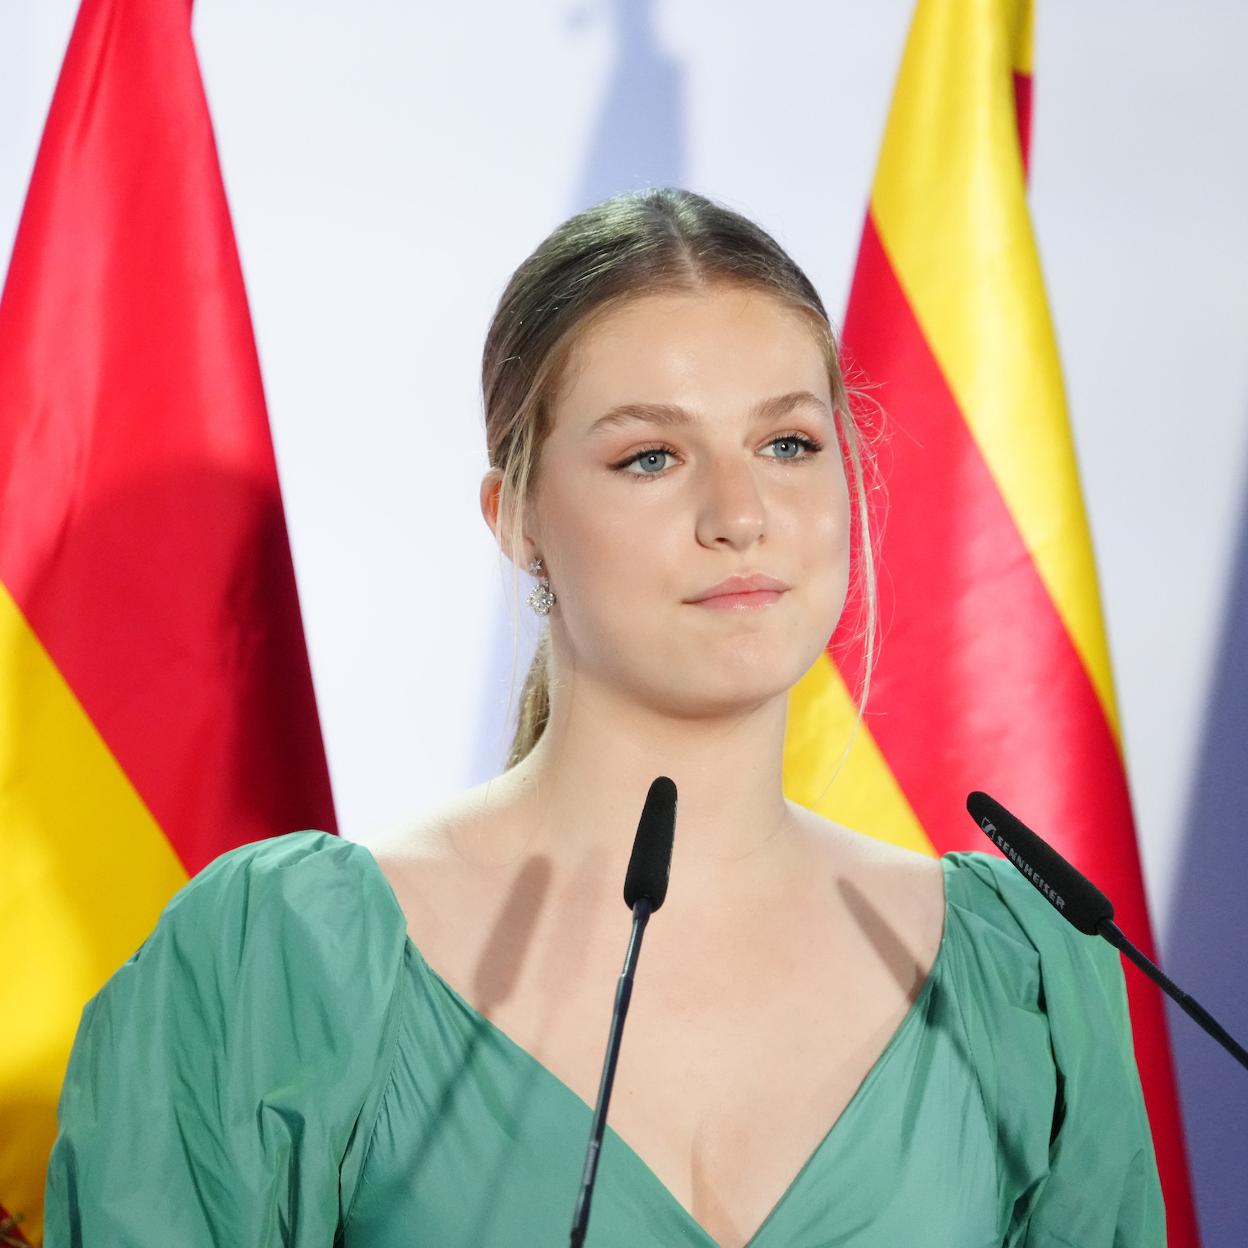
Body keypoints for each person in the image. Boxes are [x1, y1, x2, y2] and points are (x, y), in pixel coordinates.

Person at [44, 188, 1164, 1247]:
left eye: (788, 444)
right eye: (650, 456)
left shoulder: (1029, 973)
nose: (740, 514)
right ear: (517, 515)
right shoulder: (280, 958)